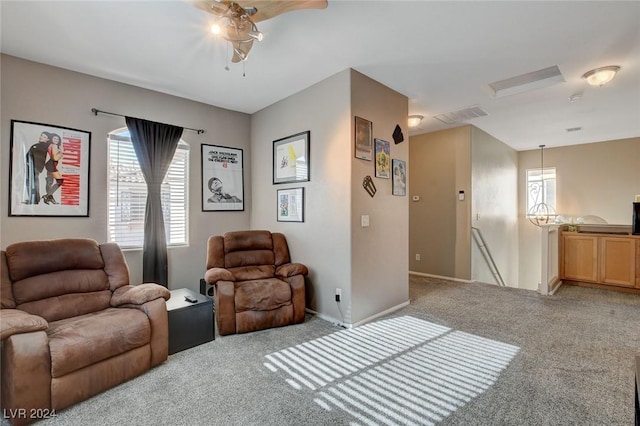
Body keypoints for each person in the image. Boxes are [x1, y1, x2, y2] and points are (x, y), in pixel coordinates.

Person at [24, 131, 51, 204]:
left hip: (35, 167)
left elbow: (38, 157)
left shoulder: (43, 146)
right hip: (31, 166)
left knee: (33, 182)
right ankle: (34, 199)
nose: (41, 137)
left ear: (47, 140)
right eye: (41, 135)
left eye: (44, 137)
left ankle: (34, 200)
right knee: (31, 182)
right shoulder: (37, 145)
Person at [43, 133, 64, 204]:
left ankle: (49, 198)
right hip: (51, 165)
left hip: (50, 165)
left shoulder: (51, 145)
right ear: (51, 139)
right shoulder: (54, 146)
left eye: (57, 139)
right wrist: (61, 152)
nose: (56, 140)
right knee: (60, 181)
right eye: (54, 138)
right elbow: (54, 158)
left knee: (49, 182)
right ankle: (47, 196)